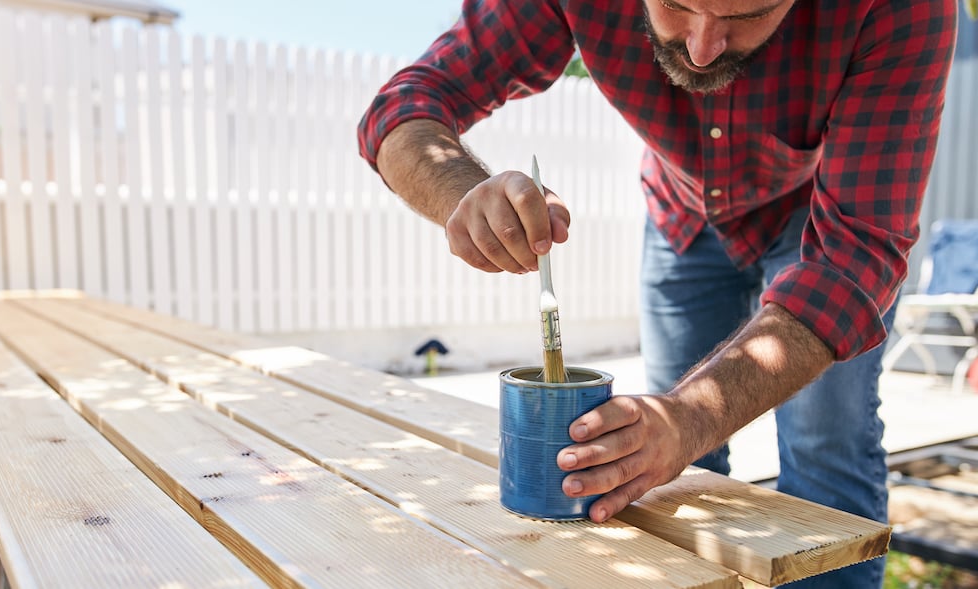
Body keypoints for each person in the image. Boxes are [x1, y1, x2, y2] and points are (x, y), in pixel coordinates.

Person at [357, 0, 957, 586]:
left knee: (827, 440)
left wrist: (691, 416)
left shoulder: (906, 8)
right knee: (667, 465)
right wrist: (462, 193)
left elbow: (852, 261)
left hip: (819, 214)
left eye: (747, 17)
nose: (701, 48)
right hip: (683, 212)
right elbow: (404, 106)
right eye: (674, 5)